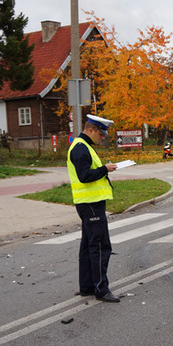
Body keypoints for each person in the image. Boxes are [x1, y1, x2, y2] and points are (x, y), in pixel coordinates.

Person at [67, 115, 120, 303]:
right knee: (100, 246)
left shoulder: (84, 146)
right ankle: (101, 289)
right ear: (90, 130)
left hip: (89, 203)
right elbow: (84, 176)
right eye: (100, 133)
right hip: (90, 204)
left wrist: (104, 169)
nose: (103, 137)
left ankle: (87, 287)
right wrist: (105, 169)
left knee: (87, 246)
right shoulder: (81, 148)